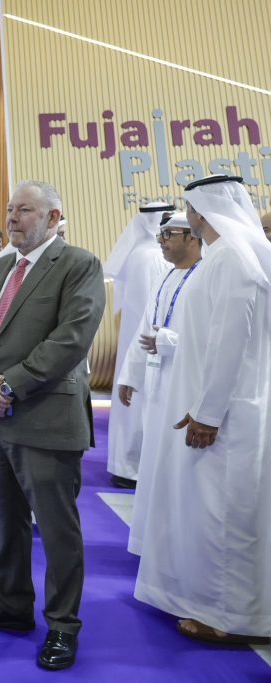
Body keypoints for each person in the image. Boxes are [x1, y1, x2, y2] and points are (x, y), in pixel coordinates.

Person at [0, 180, 105, 671]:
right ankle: (12, 604)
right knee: (7, 522)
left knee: (57, 530)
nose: (12, 218)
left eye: (25, 210)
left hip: (45, 418)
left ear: (53, 217)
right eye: (10, 209)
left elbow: (71, 340)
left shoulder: (78, 265)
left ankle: (62, 624)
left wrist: (7, 385)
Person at [134, 174, 271, 646]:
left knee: (225, 516)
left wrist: (208, 414)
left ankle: (229, 618)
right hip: (224, 406)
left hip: (227, 415)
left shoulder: (232, 258)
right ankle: (222, 606)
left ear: (199, 211)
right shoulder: (231, 255)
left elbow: (230, 342)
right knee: (220, 512)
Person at [115, 212, 202, 556]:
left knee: (174, 469)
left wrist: (167, 342)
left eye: (169, 235)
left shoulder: (204, 277)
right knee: (152, 465)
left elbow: (211, 338)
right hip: (156, 385)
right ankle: (149, 543)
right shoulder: (167, 276)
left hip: (185, 390)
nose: (161, 241)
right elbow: (145, 328)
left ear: (192, 237)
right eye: (160, 235)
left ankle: (173, 549)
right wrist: (130, 375)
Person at [102, 201, 174, 488]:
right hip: (147, 345)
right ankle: (131, 467)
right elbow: (153, 311)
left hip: (141, 343)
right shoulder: (151, 256)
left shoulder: (140, 253)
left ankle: (129, 464)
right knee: (139, 401)